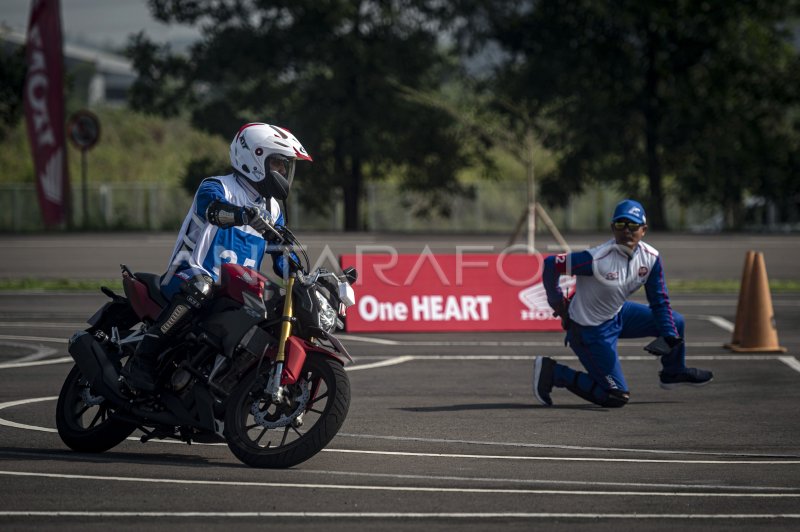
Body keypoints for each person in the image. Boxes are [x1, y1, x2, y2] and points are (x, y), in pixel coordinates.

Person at [123, 122, 312, 392]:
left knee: (272, 310)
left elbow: (279, 254)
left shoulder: (273, 208)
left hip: (234, 290)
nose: (284, 173)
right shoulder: (217, 186)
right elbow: (212, 210)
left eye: (286, 167)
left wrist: (299, 274)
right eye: (279, 165)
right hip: (190, 272)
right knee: (201, 287)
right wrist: (243, 215)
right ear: (255, 159)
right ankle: (143, 358)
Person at [532, 199, 713, 408]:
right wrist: (557, 302)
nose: (626, 230)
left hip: (617, 314)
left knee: (675, 323)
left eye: (633, 225)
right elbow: (550, 265)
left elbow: (659, 301)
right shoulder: (596, 259)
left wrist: (669, 338)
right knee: (615, 396)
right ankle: (553, 372)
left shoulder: (651, 258)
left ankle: (672, 373)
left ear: (643, 230)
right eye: (620, 225)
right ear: (612, 228)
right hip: (590, 330)